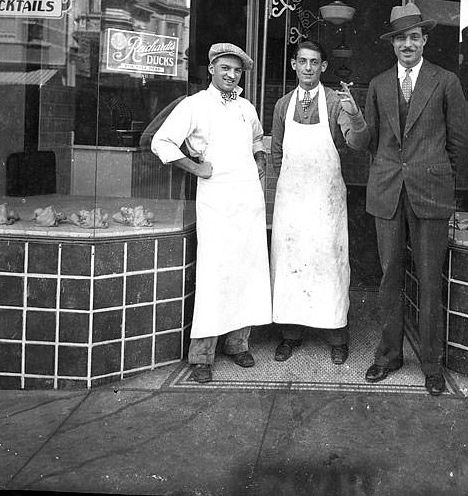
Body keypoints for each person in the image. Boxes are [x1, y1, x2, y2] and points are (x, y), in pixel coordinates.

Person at [359, 3, 468, 396]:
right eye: (400, 38)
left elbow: (460, 142)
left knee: (428, 279)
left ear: (424, 40)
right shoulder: (377, 85)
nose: (407, 44)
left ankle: (431, 363)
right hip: (388, 191)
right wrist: (351, 125)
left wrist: (453, 191)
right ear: (392, 44)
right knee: (390, 276)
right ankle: (389, 356)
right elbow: (367, 142)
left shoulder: (445, 81)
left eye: (414, 37)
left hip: (432, 191)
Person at [150, 43, 272, 383]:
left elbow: (258, 138)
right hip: (216, 199)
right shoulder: (194, 105)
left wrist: (259, 159)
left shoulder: (246, 106)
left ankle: (237, 343)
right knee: (214, 273)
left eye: (237, 70)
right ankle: (201, 355)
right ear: (211, 69)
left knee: (245, 270)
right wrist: (196, 168)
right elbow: (161, 142)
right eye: (225, 69)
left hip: (247, 199)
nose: (231, 75)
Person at [269, 40, 368, 365]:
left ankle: (337, 336)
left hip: (326, 202)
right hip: (293, 201)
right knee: (291, 264)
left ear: (323, 66)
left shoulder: (335, 103)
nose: (308, 67)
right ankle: (290, 335)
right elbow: (278, 152)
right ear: (294, 65)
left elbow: (356, 143)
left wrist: (354, 115)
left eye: (314, 62)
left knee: (329, 264)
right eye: (302, 61)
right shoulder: (283, 105)